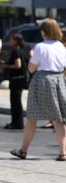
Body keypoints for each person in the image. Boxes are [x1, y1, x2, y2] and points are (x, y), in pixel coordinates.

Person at [11, 19, 66, 160]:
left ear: (44, 32)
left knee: (32, 117)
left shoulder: (40, 47)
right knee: (58, 119)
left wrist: (31, 58)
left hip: (42, 80)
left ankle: (23, 151)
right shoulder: (61, 46)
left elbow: (32, 68)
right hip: (59, 80)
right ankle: (63, 152)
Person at [2, 33, 27, 130]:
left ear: (16, 41)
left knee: (15, 102)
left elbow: (18, 65)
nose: (9, 42)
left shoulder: (16, 51)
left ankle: (17, 123)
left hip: (16, 80)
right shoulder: (21, 50)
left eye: (11, 40)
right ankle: (17, 122)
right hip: (19, 79)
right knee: (16, 101)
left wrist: (6, 66)